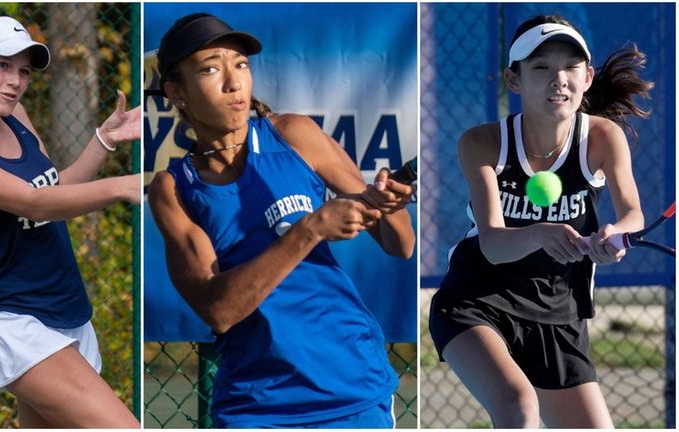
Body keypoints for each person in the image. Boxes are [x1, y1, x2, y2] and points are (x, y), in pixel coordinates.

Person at [147, 13, 416, 428]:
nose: (233, 82)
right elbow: (219, 310)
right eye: (210, 69)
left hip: (352, 386)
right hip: (256, 406)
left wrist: (388, 206)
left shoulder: (294, 133)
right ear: (176, 91)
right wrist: (310, 229)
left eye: (240, 65)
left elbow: (401, 245)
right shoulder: (172, 189)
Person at [429, 14, 653, 428]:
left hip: (559, 312)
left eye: (570, 67)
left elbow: (632, 214)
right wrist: (539, 233)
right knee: (518, 405)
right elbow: (493, 244)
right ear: (513, 80)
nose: (558, 79)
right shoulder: (482, 143)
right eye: (541, 67)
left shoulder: (603, 138)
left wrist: (613, 237)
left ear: (587, 77)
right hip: (477, 300)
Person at [0, 16, 141, 428]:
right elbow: (33, 204)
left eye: (23, 71)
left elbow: (53, 189)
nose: (15, 81)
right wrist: (122, 186)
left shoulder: (15, 115)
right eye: (2, 65)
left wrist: (105, 139)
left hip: (69, 315)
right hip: (15, 322)